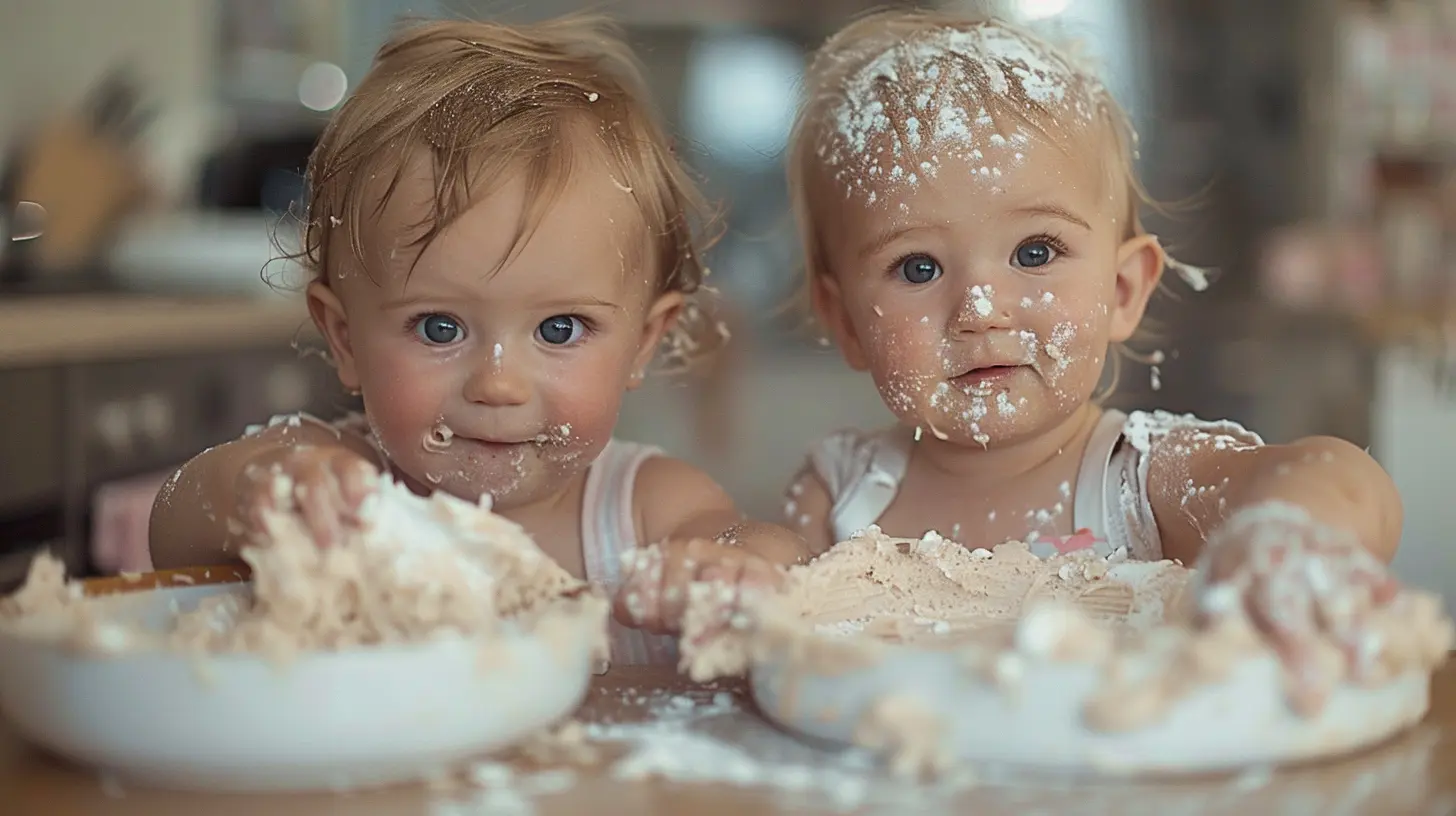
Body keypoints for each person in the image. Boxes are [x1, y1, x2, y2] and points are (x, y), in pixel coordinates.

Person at [780, 9, 1404, 712]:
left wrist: (1289, 531)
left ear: (1121, 290)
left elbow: (1343, 477)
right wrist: (727, 565)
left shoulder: (1142, 482)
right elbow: (757, 591)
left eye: (1035, 253)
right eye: (917, 266)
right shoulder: (840, 493)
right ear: (847, 322)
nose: (981, 308)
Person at [148, 16, 804, 664]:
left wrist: (733, 568)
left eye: (559, 329)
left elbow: (768, 550)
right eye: (440, 328)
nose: (497, 383)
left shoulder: (646, 507)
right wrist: (260, 489)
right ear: (345, 338)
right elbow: (177, 520)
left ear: (641, 343)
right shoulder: (341, 483)